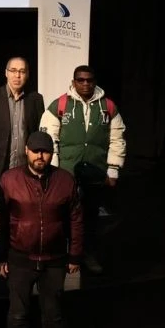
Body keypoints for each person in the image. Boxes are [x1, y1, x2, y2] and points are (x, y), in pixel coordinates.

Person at [0, 131, 83, 328]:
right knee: (17, 314)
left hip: (54, 259)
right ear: (26, 150)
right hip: (20, 258)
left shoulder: (65, 180)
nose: (40, 156)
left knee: (53, 314)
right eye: (35, 151)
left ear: (52, 153)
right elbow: (0, 220)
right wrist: (0, 257)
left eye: (45, 152)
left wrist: (75, 255)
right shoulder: (9, 179)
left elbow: (76, 219)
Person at [39, 65, 126, 274]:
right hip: (66, 174)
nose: (85, 83)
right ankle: (60, 254)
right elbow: (49, 139)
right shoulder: (60, 105)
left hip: (96, 173)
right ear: (74, 81)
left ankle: (87, 253)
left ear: (94, 81)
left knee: (91, 217)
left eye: (89, 80)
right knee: (62, 215)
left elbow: (117, 139)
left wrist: (113, 170)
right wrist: (53, 172)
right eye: (81, 80)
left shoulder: (108, 106)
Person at [0, 57, 45, 184]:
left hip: (26, 168)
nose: (17, 75)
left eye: (22, 71)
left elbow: (37, 135)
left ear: (27, 74)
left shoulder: (36, 99)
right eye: (13, 70)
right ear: (6, 73)